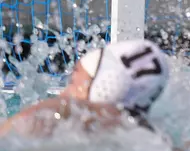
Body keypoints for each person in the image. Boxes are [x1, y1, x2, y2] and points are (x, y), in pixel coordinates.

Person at [0, 39, 169, 137]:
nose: (63, 92)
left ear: (104, 88)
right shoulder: (153, 138)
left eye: (74, 80)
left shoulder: (67, 111)